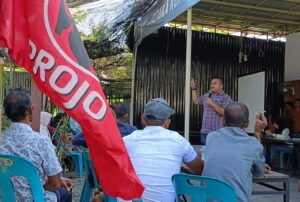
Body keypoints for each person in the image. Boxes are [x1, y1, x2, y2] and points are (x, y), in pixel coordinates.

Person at [122, 98, 204, 201]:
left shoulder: (125, 141)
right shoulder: (178, 140)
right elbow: (200, 168)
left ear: (142, 119)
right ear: (167, 122)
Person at [0, 88, 72, 202]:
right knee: (65, 192)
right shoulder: (41, 141)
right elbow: (56, 184)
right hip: (36, 199)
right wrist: (40, 185)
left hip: (6, 199)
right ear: (30, 110)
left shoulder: (2, 140)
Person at [202, 102, 270, 202]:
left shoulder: (211, 137)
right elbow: (259, 173)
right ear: (247, 124)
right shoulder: (253, 144)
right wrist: (257, 132)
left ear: (223, 121)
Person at [191, 77, 232, 145]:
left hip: (218, 133)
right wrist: (193, 88)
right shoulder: (207, 95)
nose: (212, 85)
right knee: (206, 153)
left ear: (221, 86)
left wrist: (212, 104)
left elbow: (225, 113)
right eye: (211, 83)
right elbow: (196, 101)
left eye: (214, 83)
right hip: (205, 132)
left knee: (217, 153)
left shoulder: (226, 98)